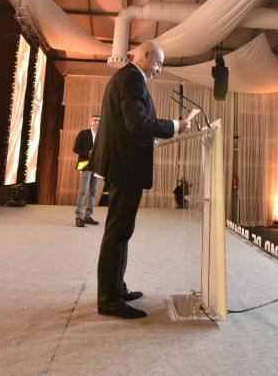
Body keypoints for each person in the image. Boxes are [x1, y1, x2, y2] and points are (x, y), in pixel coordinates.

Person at [90, 41, 190, 319]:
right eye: (158, 63)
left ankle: (116, 289)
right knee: (117, 234)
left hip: (123, 164)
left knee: (121, 232)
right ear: (145, 55)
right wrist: (174, 126)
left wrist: (156, 135)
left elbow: (131, 125)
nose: (159, 69)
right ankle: (109, 300)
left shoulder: (126, 77)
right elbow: (139, 124)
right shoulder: (133, 78)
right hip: (125, 167)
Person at [73, 115, 101, 227]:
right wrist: (88, 154)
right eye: (95, 120)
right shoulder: (83, 133)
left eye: (99, 121)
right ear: (90, 122)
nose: (97, 122)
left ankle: (88, 216)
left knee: (93, 193)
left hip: (98, 167)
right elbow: (76, 148)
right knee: (83, 192)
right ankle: (78, 217)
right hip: (85, 165)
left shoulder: (103, 135)